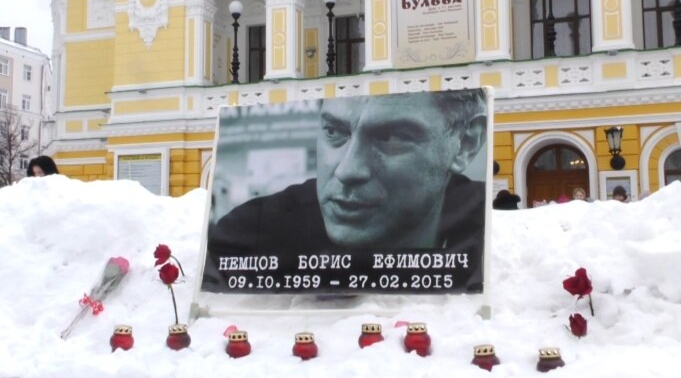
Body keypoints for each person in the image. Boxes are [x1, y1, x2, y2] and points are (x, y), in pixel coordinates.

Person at [205, 90, 489, 292]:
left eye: (392, 138)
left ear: (465, 144)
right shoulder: (249, 233)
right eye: (333, 132)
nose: (347, 170)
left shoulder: (489, 236)